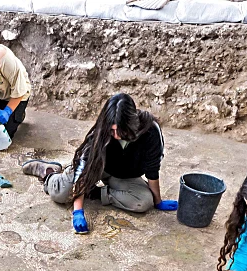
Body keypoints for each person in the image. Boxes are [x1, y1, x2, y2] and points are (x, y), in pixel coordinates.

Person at [21, 93, 177, 234]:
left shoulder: (150, 131)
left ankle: (93, 192)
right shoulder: (101, 133)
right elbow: (83, 171)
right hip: (95, 168)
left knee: (143, 202)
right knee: (60, 194)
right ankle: (48, 172)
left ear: (131, 124)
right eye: (112, 131)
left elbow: (152, 169)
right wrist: (78, 211)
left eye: (120, 131)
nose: (116, 136)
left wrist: (158, 202)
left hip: (123, 175)